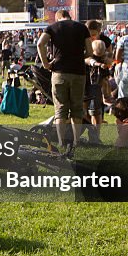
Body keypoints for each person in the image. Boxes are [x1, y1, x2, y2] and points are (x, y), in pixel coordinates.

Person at [37, 10, 92, 157]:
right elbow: (90, 52)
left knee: (60, 109)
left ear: (58, 17)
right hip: (78, 72)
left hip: (59, 72)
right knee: (77, 109)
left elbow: (40, 44)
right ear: (69, 16)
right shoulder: (82, 28)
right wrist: (79, 56)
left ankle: (61, 142)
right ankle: (76, 142)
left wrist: (46, 64)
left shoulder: (52, 27)